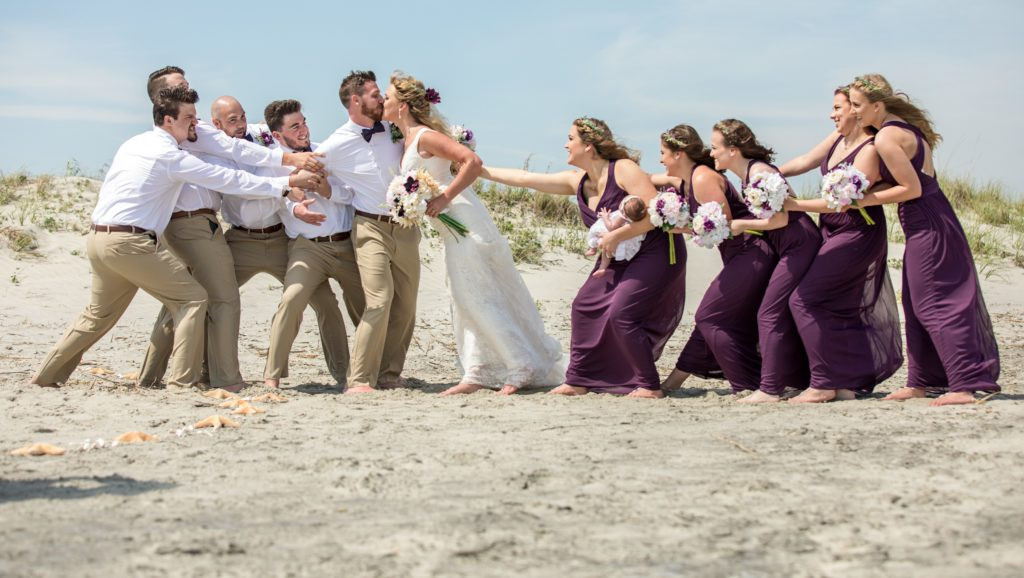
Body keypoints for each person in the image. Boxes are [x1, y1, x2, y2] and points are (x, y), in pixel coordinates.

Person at [30, 86, 317, 388]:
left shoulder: (134, 143)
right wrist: (285, 183)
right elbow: (227, 178)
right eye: (190, 118)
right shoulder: (171, 156)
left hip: (99, 239)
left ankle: (45, 377)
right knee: (193, 299)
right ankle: (182, 383)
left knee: (97, 315)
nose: (196, 123)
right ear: (168, 120)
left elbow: (237, 151)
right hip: (131, 243)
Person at [383, 72, 565, 395]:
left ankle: (520, 362)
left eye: (387, 97)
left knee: (476, 295)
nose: (383, 102)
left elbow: (472, 161)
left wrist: (443, 197)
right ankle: (477, 370)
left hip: (465, 221)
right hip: (450, 230)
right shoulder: (407, 140)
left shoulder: (425, 136)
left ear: (402, 105)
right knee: (464, 296)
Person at [481, 117, 686, 398]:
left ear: (588, 146)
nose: (565, 144)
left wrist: (615, 236)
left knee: (621, 313)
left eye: (570, 138)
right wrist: (477, 169)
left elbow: (655, 215)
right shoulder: (577, 181)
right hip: (616, 257)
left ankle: (649, 385)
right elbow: (526, 179)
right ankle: (579, 380)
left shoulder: (623, 169)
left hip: (655, 251)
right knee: (583, 305)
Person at [848, 73, 1000, 406]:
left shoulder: (888, 137)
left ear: (878, 105)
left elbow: (911, 189)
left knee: (935, 304)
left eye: (858, 105)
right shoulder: (903, 129)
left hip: (929, 227)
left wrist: (862, 200)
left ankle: (962, 384)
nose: (854, 111)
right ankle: (923, 380)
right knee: (916, 303)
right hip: (928, 222)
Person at [780, 86, 903, 403]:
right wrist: (767, 175)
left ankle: (822, 384)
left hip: (857, 232)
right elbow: (806, 160)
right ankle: (846, 384)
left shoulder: (869, 149)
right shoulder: (836, 138)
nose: (832, 114)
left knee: (803, 299)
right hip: (831, 231)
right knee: (840, 307)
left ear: (856, 110)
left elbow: (839, 204)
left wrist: (795, 205)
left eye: (838, 107)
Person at [653, 125, 776, 395]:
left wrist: (682, 228)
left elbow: (724, 225)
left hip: (751, 252)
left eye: (663, 153)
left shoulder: (702, 179)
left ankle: (748, 383)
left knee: (709, 316)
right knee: (711, 318)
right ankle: (673, 382)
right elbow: (657, 179)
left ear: (679, 154)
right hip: (737, 256)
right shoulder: (688, 180)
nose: (660, 159)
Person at [315, 70, 414, 394]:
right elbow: (310, 173)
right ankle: (358, 380)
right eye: (375, 94)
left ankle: (389, 373)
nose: (382, 99)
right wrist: (333, 194)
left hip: (406, 226)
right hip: (369, 227)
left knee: (406, 304)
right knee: (379, 300)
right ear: (355, 101)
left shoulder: (395, 129)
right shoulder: (335, 143)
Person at [715, 119, 822, 403]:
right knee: (776, 311)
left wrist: (738, 225)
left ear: (733, 150)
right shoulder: (746, 175)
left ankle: (770, 389)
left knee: (769, 312)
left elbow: (781, 219)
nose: (711, 153)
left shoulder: (760, 173)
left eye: (715, 148)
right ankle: (794, 380)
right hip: (787, 246)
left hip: (799, 244)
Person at [262, 100, 366, 389]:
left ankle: (367, 373)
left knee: (367, 306)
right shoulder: (274, 163)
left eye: (304, 122)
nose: (304, 130)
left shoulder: (326, 152)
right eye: (295, 126)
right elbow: (275, 200)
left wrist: (327, 189)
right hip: (307, 247)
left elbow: (353, 193)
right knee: (292, 299)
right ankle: (272, 377)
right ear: (278, 135)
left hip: (346, 244)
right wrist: (297, 208)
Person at [145, 66, 322, 173]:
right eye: (182, 87)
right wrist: (289, 160)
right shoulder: (187, 130)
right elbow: (233, 148)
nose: (189, 90)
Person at [586, 196, 647, 279]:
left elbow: (612, 227)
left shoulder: (622, 217)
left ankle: (592, 249)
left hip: (614, 237)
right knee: (606, 250)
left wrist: (605, 217)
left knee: (596, 231)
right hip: (625, 243)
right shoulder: (637, 219)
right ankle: (602, 267)